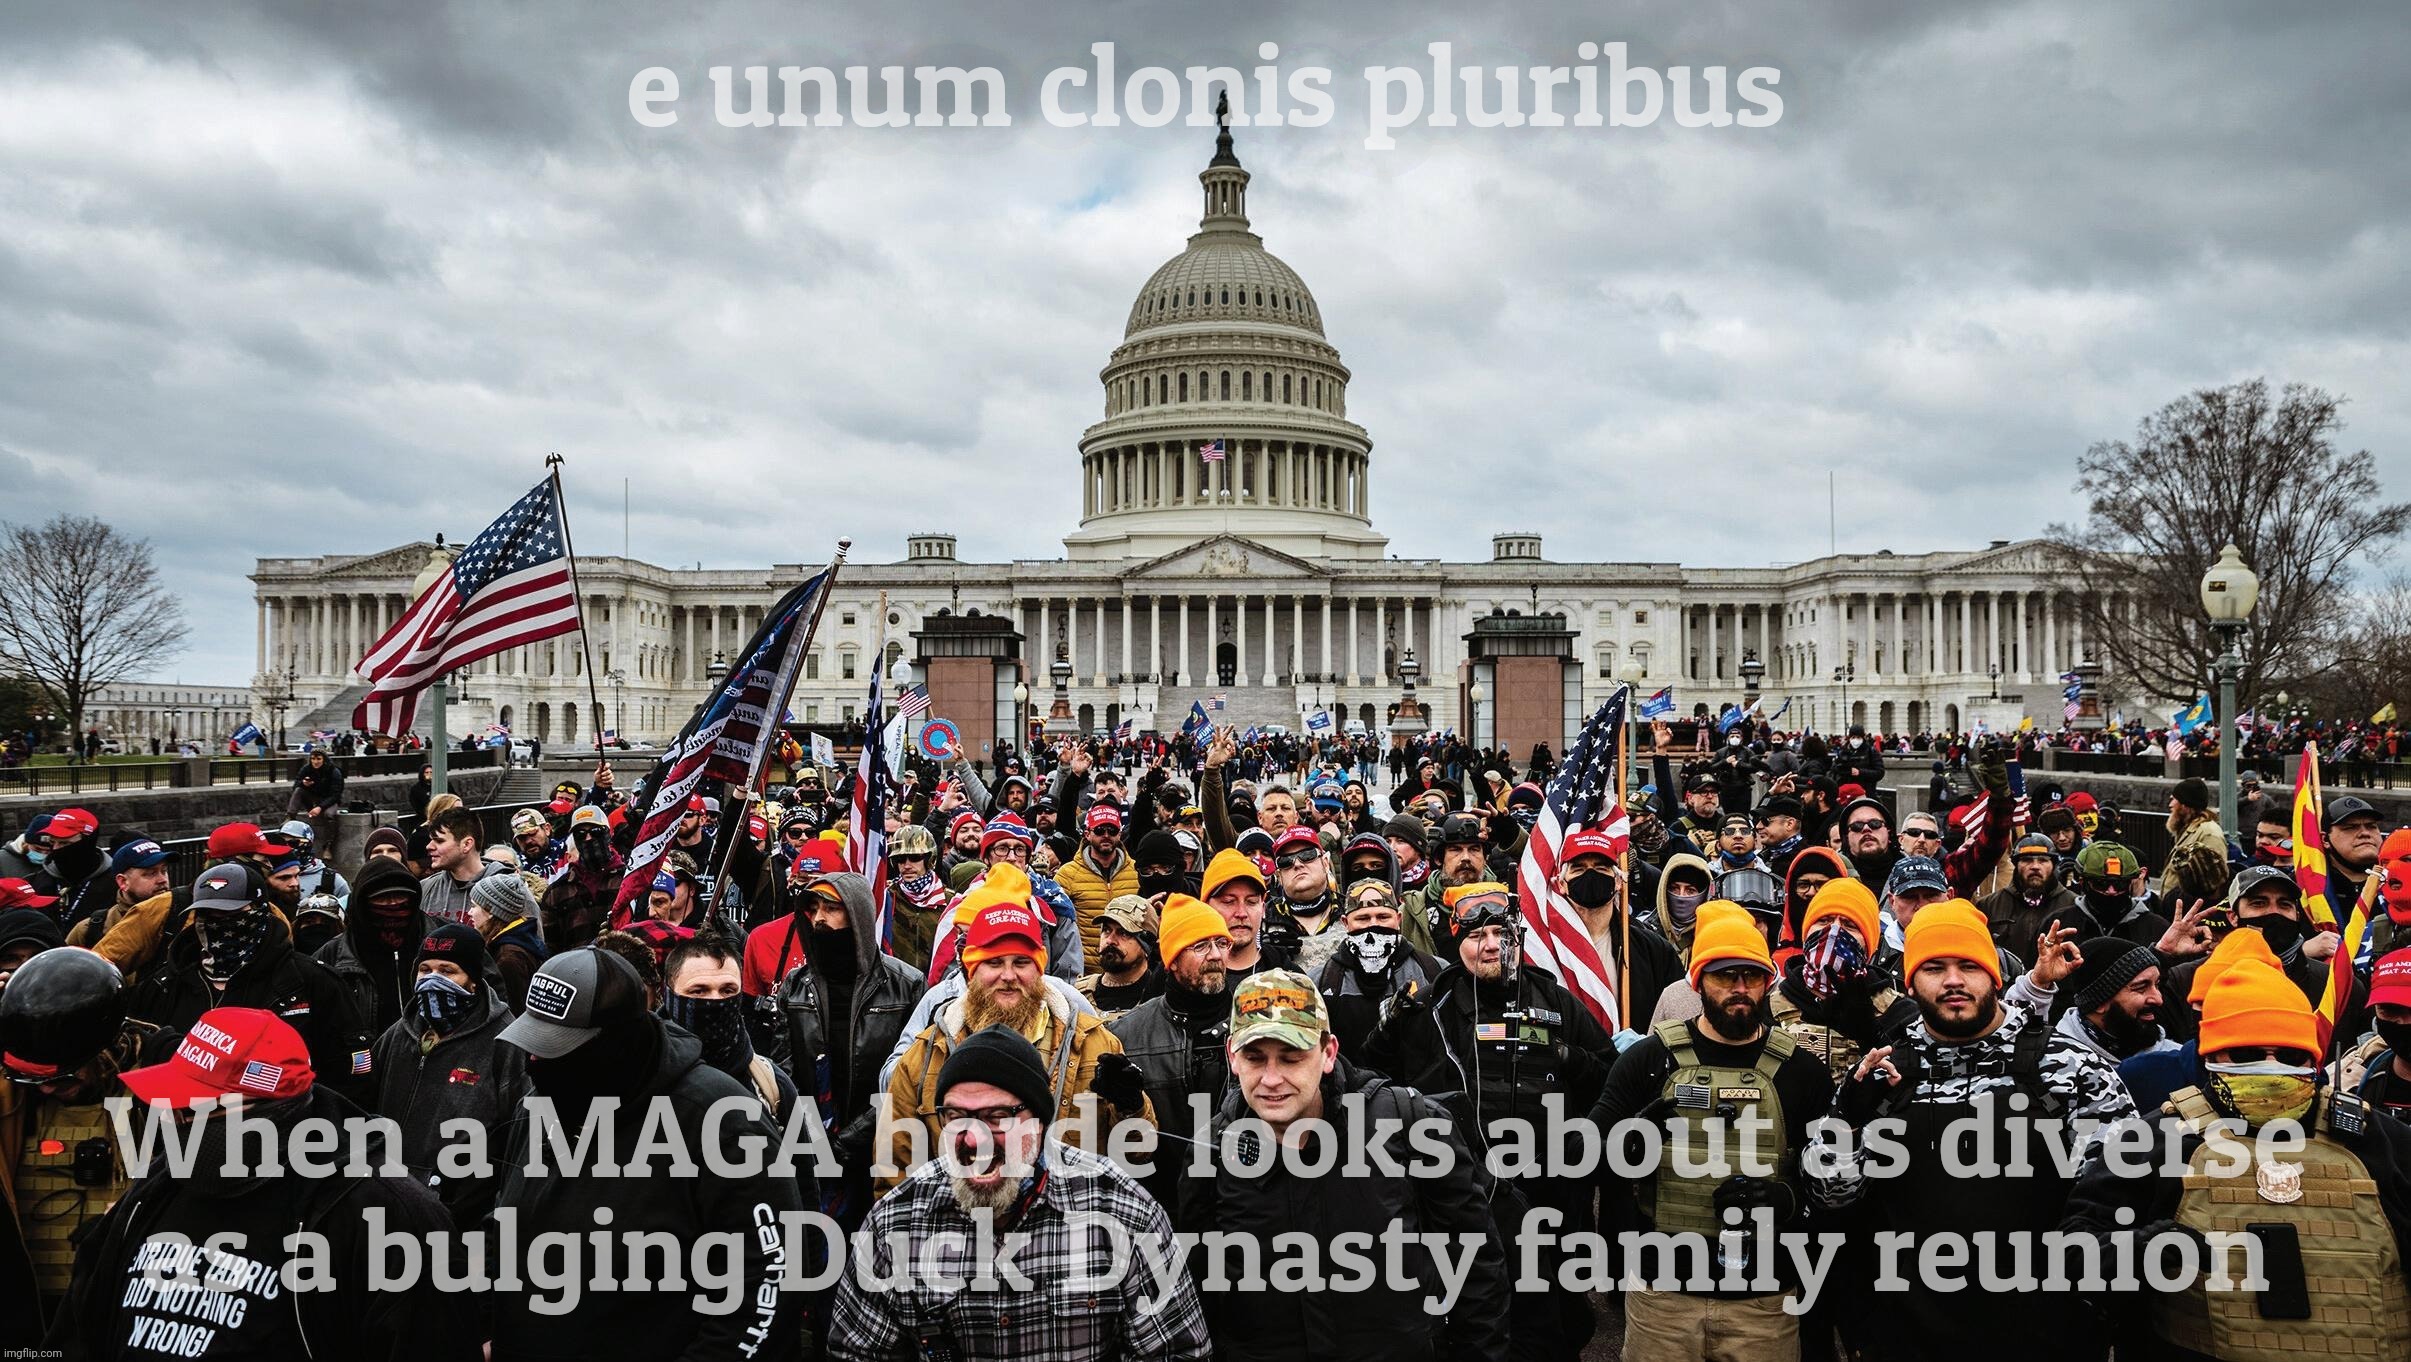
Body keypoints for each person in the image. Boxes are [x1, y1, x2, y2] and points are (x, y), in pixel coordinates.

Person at [1811, 900, 2138, 1362]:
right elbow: (1832, 1198)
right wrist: (1843, 1121)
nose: (1952, 981)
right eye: (1933, 967)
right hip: (1909, 1337)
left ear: (1994, 975)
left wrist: (2086, 1306)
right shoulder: (1884, 1077)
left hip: (2042, 1337)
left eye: (1968, 965)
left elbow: (2120, 1199)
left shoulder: (2068, 1068)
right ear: (1910, 982)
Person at [2062, 947, 2411, 1362]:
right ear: (2212, 1058)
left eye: (2290, 1056)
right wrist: (2143, 1249)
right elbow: (2075, 1252)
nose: (2271, 1068)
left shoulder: (2377, 1140)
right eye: (2245, 1055)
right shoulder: (2159, 1140)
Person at [53, 1008, 463, 1359]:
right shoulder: (158, 1184)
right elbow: (78, 1328)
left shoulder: (388, 1215)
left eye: (190, 1109)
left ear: (268, 1111)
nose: (172, 1121)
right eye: (168, 1105)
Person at [1177, 970, 1511, 1362]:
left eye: (1291, 1057)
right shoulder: (1212, 1151)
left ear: (1328, 1053)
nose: (1271, 1078)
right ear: (1232, 1055)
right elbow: (1195, 1290)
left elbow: (1476, 1268)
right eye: (1255, 1057)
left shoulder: (1409, 1125)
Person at [826, 1024, 1212, 1361]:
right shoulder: (897, 1221)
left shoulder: (1121, 1210)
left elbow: (1176, 1349)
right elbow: (857, 1350)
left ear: (1039, 1124)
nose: (973, 1139)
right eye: (957, 1116)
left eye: (998, 1117)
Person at [492, 949, 806, 1358]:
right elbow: (505, 1224)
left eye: (558, 1048)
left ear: (614, 1043)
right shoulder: (540, 1104)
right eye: (534, 1045)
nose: (537, 1063)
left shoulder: (720, 1120)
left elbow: (767, 1283)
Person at [1368, 880, 1614, 1359]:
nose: (1490, 946)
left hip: (1549, 1188)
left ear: (1516, 937)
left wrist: (1565, 1055)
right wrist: (1385, 1029)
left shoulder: (1556, 1000)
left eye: (1501, 933)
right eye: (1477, 936)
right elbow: (1376, 1084)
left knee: (1556, 1323)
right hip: (1464, 1193)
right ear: (1457, 943)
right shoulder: (1427, 1006)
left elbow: (1609, 1079)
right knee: (1476, 1318)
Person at [1589, 903, 1835, 1362]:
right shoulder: (1648, 1060)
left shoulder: (1802, 1072)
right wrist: (1628, 1146)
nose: (1740, 989)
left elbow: (1835, 1187)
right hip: (1663, 1299)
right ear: (1698, 981)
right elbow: (1583, 1157)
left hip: (1764, 1302)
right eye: (1725, 976)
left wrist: (1788, 1200)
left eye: (1752, 976)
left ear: (1768, 981)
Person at [881, 872, 1149, 1191]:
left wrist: (1131, 1107)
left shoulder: (1093, 1043)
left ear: (1040, 969)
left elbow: (1138, 1155)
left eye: (1021, 962)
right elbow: (894, 1174)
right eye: (994, 963)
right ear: (970, 969)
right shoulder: (925, 1056)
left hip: (1072, 1228)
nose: (1008, 976)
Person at [124, 862, 375, 1103]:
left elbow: (350, 1073)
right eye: (208, 915)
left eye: (232, 915)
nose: (220, 924)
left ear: (261, 912)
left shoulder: (312, 981)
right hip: (186, 1131)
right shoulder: (164, 984)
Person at [0, 946, 152, 1333]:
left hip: (121, 1308)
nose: (47, 1090)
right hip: (33, 1314)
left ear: (102, 1051)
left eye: (62, 1078)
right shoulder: (11, 1100)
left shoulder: (156, 1085)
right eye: (36, 1081)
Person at [773, 869, 925, 1225]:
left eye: (832, 908)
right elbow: (785, 1071)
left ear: (857, 915)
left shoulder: (905, 985)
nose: (820, 920)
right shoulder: (795, 985)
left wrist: (851, 1140)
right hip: (809, 1146)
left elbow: (906, 1077)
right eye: (813, 910)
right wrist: (813, 1139)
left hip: (877, 1145)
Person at [370, 922, 530, 1226]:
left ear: (473, 979)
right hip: (386, 1198)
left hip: (459, 1214)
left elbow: (519, 1137)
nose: (432, 980)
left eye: (447, 971)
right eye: (425, 970)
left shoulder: (505, 1042)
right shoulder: (398, 1035)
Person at [1106, 895, 1234, 1204]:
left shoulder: (1257, 1023)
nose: (1215, 955)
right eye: (1200, 946)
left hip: (1240, 1207)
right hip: (1161, 1206)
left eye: (1221, 942)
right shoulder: (1126, 1035)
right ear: (1172, 959)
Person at [661, 934, 797, 1118]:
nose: (715, 1000)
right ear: (669, 994)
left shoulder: (770, 1083)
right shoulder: (636, 1076)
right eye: (699, 991)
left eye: (728, 990)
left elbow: (805, 1146)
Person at [1317, 877, 1443, 1059]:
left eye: (1383, 917)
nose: (1373, 925)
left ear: (1398, 919)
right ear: (1345, 923)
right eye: (1363, 918)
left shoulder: (1433, 969)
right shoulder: (1321, 980)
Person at [2052, 935, 2179, 1065]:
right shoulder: (2056, 1065)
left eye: (2157, 984)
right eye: (2141, 988)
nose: (2158, 999)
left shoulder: (2176, 1060)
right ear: (2099, 1002)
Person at [1983, 832, 2095, 952]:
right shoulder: (1989, 905)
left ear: (2053, 865)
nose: (2035, 866)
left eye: (2043, 860)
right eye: (2027, 860)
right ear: (2015, 865)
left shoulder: (2074, 905)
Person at [1055, 803, 1139, 963]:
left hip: (1128, 967)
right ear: (1087, 833)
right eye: (1100, 830)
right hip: (1084, 971)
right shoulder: (1067, 874)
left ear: (1120, 834)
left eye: (1112, 830)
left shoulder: (1136, 871)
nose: (1106, 835)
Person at [469, 872, 548, 1012]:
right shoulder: (516, 941)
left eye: (474, 906)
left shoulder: (508, 957)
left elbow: (513, 1010)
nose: (470, 912)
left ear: (492, 911)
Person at [1076, 894, 1165, 1018]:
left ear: (1147, 943)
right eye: (1106, 930)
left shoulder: (1161, 999)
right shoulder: (1077, 995)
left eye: (1123, 933)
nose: (1110, 940)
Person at [1202, 847, 1284, 978]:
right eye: (1229, 901)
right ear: (1206, 907)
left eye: (1251, 902)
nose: (1241, 913)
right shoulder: (1183, 974)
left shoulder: (1287, 973)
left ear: (1263, 909)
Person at [2160, 777, 2229, 909]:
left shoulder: (2209, 832)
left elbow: (2214, 879)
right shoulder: (2187, 829)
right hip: (2176, 906)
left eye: (2174, 799)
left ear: (2185, 805)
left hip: (2191, 909)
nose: (2170, 804)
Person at [417, 805, 490, 927]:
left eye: (439, 841)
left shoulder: (508, 889)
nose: (429, 847)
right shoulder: (425, 888)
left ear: (466, 844)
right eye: (431, 840)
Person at [287, 747, 347, 861]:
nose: (315, 762)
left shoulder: (334, 772)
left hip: (329, 801)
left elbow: (336, 795)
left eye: (318, 759)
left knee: (329, 815)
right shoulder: (307, 768)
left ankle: (328, 846)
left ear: (324, 759)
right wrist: (304, 784)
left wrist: (320, 807)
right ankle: (290, 816)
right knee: (299, 790)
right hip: (312, 799)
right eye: (313, 759)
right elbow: (296, 786)